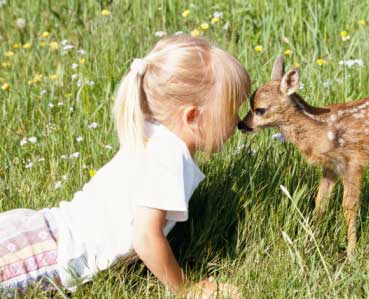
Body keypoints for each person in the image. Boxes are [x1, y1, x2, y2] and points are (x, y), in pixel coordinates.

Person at [0, 35, 251, 298]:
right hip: (48, 258)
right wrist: (186, 288)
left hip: (40, 229)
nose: (236, 121)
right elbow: (146, 237)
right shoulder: (168, 159)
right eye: (230, 111)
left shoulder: (152, 133)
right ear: (192, 116)